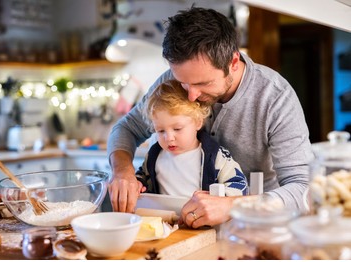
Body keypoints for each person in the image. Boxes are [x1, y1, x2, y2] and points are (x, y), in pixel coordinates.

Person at [107, 6, 313, 228]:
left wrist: (234, 205)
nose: (191, 94)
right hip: (186, 226)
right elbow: (126, 128)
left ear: (233, 63)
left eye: (202, 83)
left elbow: (303, 189)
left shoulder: (275, 97)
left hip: (257, 226)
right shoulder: (171, 81)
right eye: (183, 83)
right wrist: (122, 170)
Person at [135, 79, 248, 198]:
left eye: (177, 129)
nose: (169, 138)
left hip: (203, 215)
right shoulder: (154, 155)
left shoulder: (216, 156)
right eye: (160, 131)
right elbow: (142, 177)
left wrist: (220, 199)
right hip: (164, 216)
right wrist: (138, 184)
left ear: (198, 122)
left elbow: (240, 185)